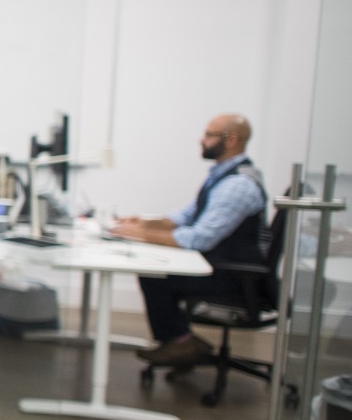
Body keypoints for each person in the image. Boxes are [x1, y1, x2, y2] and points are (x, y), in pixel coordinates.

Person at [111, 113, 267, 366]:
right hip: (221, 267)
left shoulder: (238, 185)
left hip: (233, 277)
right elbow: (185, 217)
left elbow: (199, 239)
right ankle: (183, 341)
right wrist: (144, 223)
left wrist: (141, 235)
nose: (201, 140)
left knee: (155, 275)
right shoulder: (222, 176)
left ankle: (180, 342)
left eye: (209, 135)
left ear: (231, 140)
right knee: (156, 267)